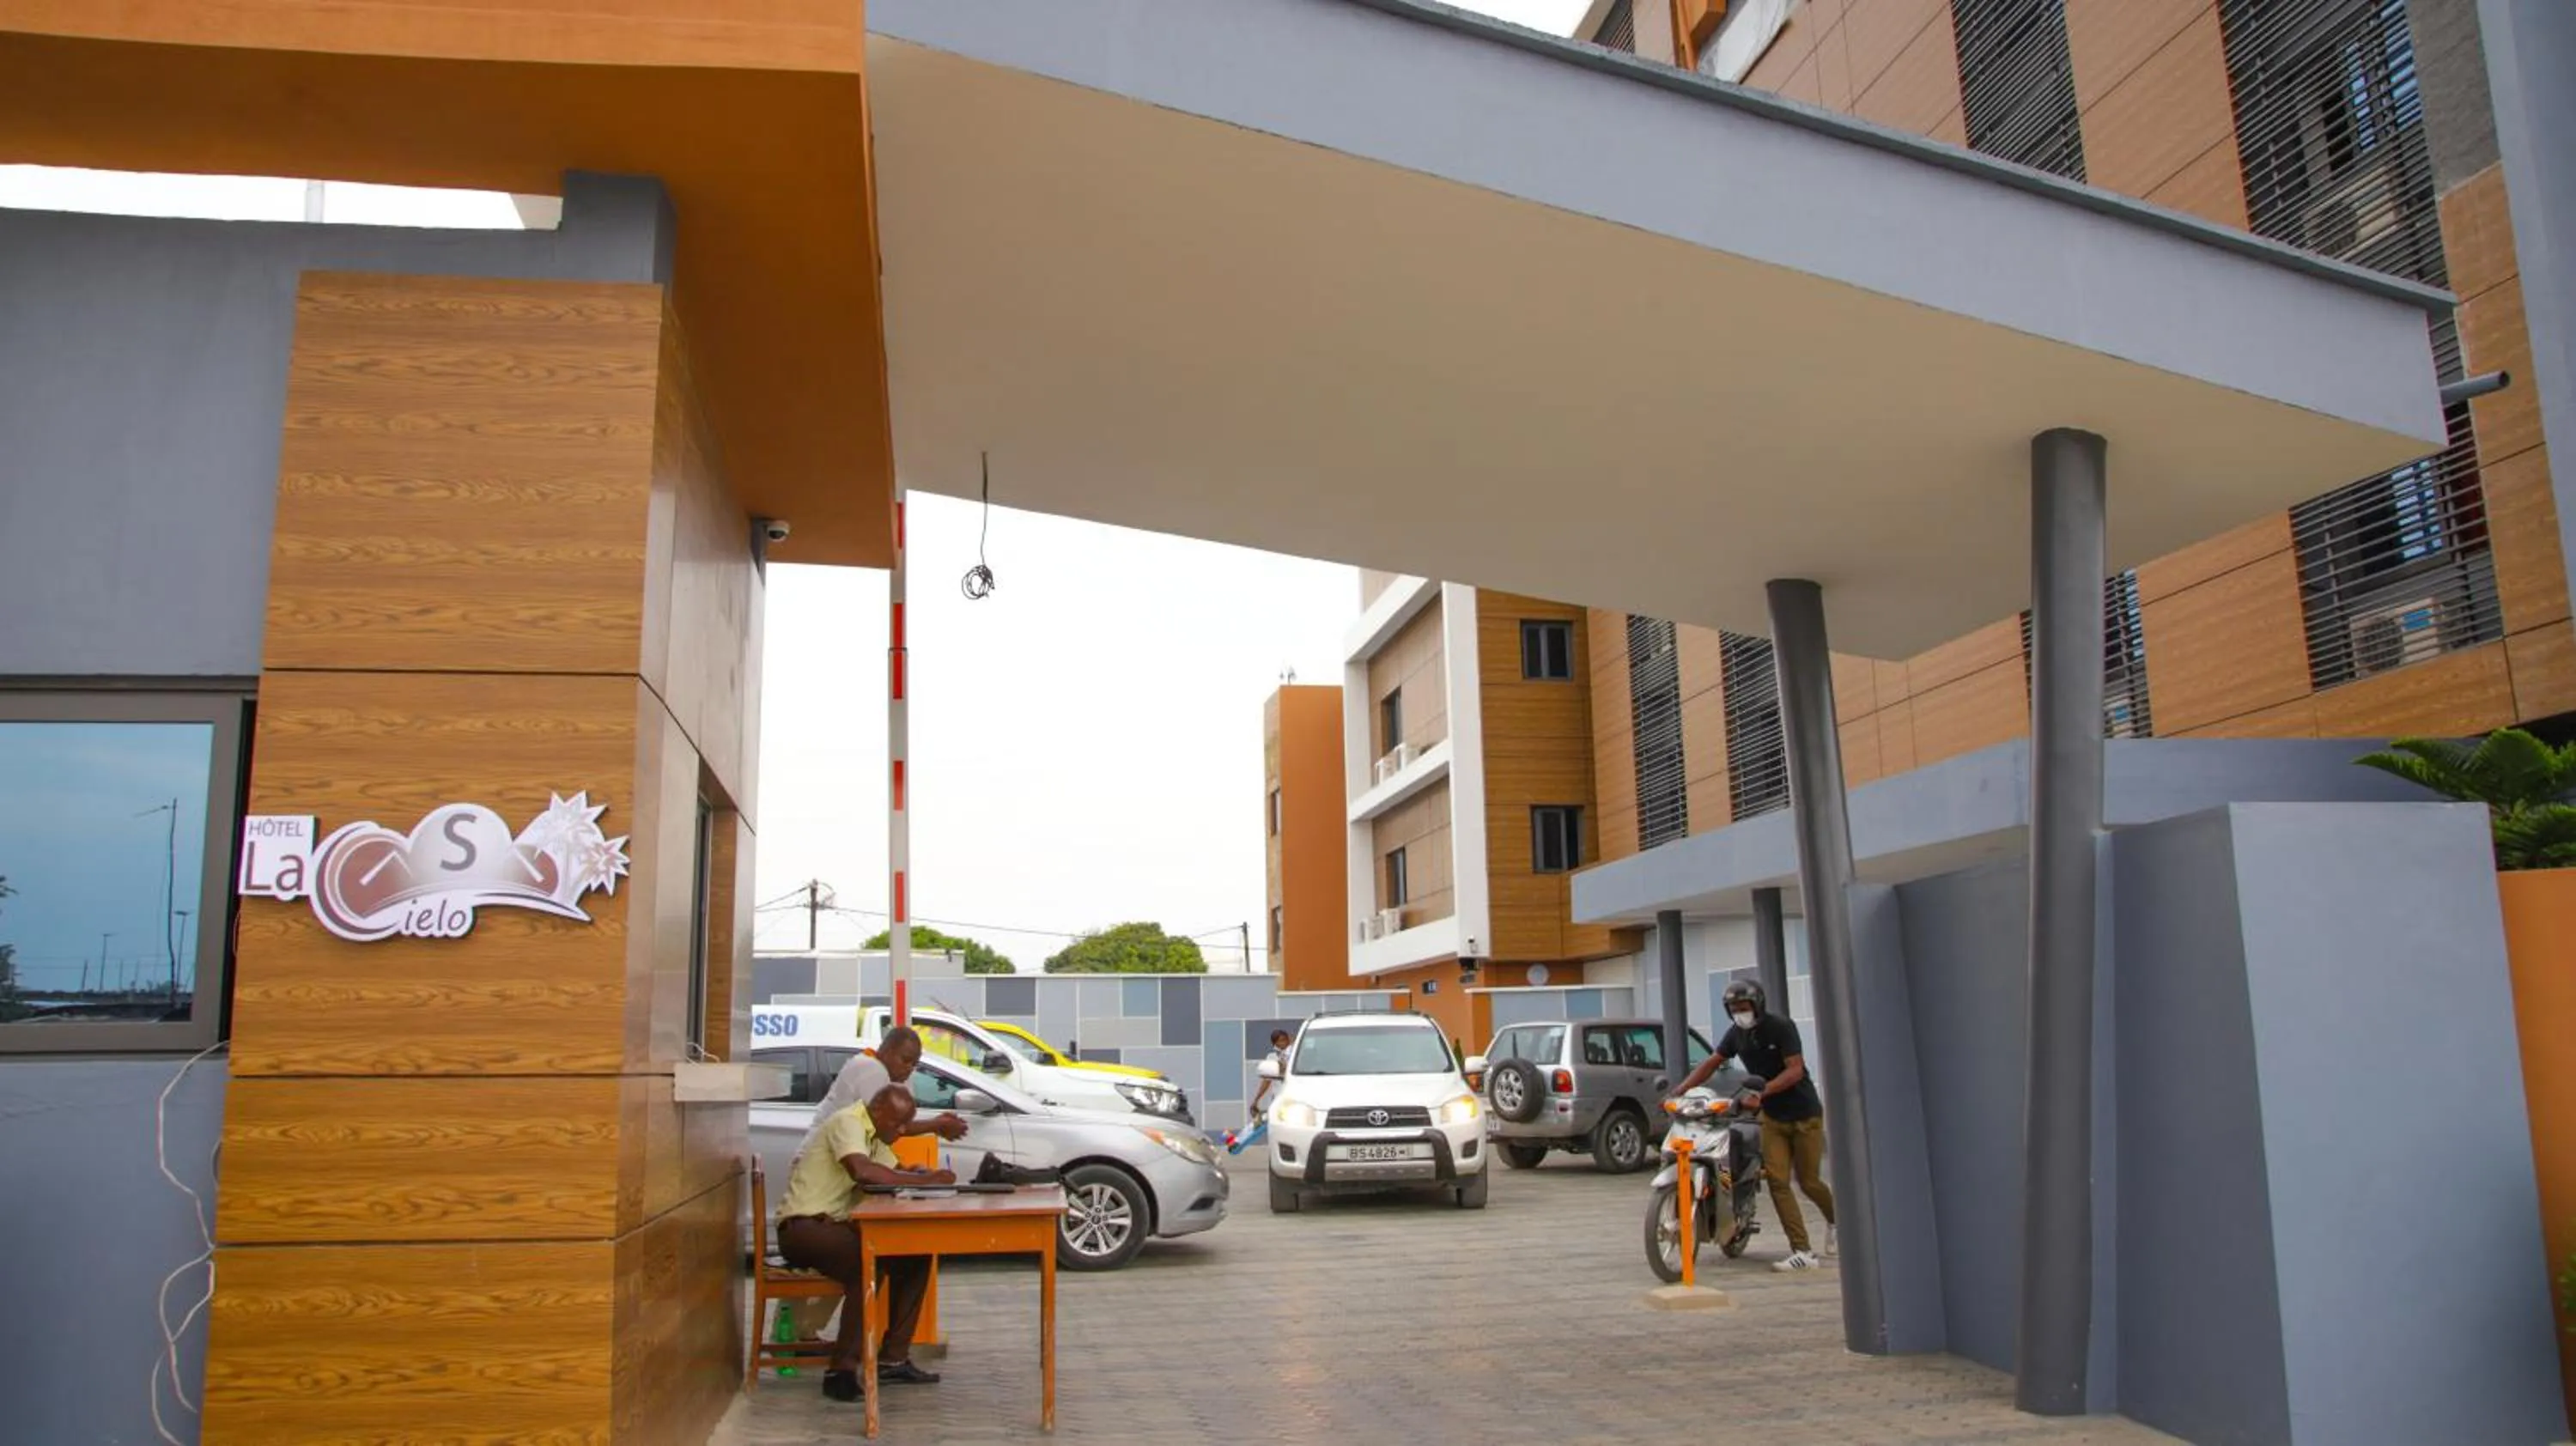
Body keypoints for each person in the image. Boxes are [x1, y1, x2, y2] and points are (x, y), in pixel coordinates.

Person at [775, 1082, 956, 1398]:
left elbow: (893, 1171)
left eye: (905, 1124)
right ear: (877, 1110)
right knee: (867, 1264)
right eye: (897, 1123)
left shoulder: (875, 1134)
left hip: (831, 1228)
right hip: (803, 1229)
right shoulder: (849, 1122)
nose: (901, 1131)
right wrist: (924, 1180)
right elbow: (864, 1172)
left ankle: (893, 1359)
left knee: (915, 1256)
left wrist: (918, 1173)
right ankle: (840, 1371)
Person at [1671, 978, 1837, 1273]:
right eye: (1733, 1009)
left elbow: (1795, 1070)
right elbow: (1712, 1062)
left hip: (1804, 1115)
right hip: (1772, 1119)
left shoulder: (1781, 1027)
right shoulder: (1736, 1035)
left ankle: (1836, 1221)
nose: (1739, 1013)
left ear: (1757, 1005)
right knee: (1777, 1181)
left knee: (1809, 1182)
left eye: (1744, 1007)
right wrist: (1680, 1090)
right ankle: (1802, 1251)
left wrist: (1762, 1092)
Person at [798, 1025, 970, 1166]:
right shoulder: (870, 1068)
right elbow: (888, 1128)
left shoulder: (891, 1075)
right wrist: (937, 1125)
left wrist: (938, 1124)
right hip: (818, 1167)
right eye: (905, 1060)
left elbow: (897, 1125)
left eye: (914, 1064)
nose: (910, 1068)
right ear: (887, 1051)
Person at [1230, 1029, 1295, 1155]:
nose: (1284, 1043)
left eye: (1285, 1039)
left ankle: (1238, 1143)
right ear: (1275, 1043)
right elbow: (1267, 1081)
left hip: (1293, 1098)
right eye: (1280, 1041)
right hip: (1279, 1100)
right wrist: (1256, 1099)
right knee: (1261, 1122)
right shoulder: (1272, 1057)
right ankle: (1237, 1143)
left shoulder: (1295, 1053)